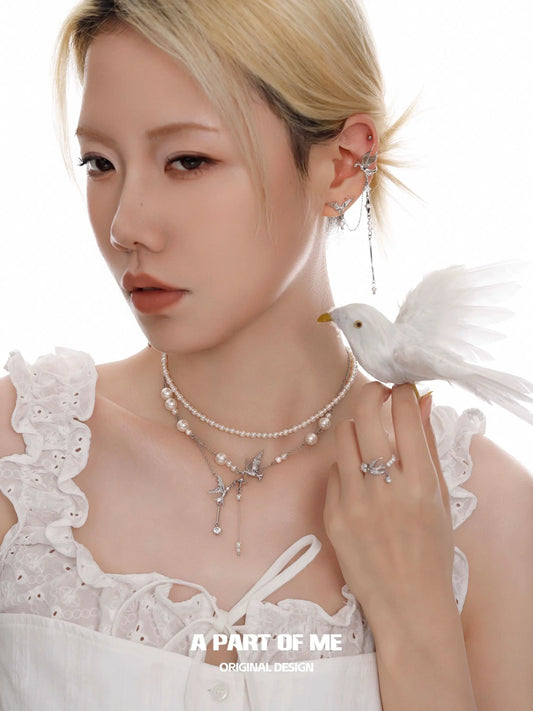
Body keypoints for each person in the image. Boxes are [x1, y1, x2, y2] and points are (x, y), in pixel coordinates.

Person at [0, 1, 531, 709]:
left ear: (342, 166)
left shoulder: (483, 511)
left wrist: (418, 622)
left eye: (188, 161)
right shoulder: (24, 461)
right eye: (101, 163)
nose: (126, 224)